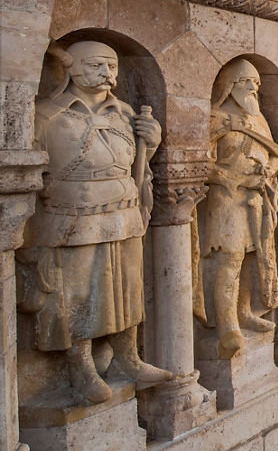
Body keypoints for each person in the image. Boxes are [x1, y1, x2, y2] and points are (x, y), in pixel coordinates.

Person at [20, 41, 171, 403]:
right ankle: (81, 365)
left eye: (112, 66)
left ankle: (127, 357)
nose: (107, 73)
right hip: (74, 215)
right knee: (77, 291)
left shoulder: (125, 113)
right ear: (72, 68)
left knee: (128, 286)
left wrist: (151, 142)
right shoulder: (46, 114)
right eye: (96, 65)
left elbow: (135, 163)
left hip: (123, 211)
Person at [200, 59, 278, 358]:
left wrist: (268, 172)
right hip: (227, 199)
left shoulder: (259, 120)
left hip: (256, 198)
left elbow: (276, 155)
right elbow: (200, 162)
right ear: (230, 85)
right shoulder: (215, 118)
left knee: (251, 256)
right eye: (246, 81)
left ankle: (244, 311)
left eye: (256, 83)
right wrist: (232, 178)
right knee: (230, 259)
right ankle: (227, 325)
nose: (253, 87)